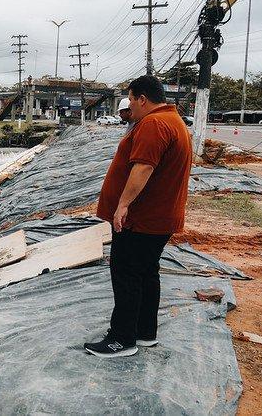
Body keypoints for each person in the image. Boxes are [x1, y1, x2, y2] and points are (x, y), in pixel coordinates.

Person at [85, 75, 192, 358]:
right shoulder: (173, 121)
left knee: (126, 272)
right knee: (146, 272)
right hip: (157, 217)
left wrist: (122, 205)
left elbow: (143, 168)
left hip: (141, 219)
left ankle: (122, 339)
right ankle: (145, 333)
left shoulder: (154, 123)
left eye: (131, 100)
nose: (130, 106)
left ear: (142, 98)